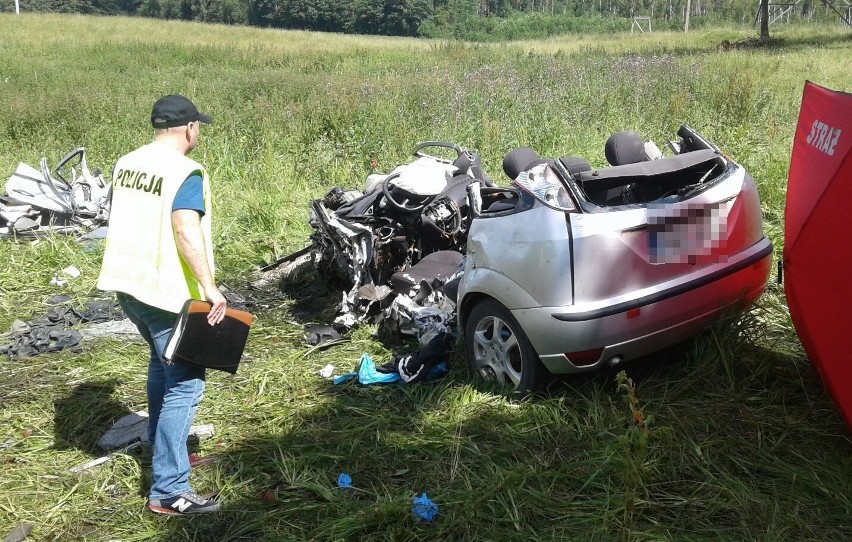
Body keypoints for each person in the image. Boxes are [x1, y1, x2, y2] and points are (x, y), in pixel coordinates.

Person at [97, 94, 226, 516]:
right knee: (186, 383)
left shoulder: (127, 162)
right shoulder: (184, 171)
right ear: (189, 128)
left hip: (127, 285)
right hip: (165, 291)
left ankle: (161, 446)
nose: (198, 132)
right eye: (198, 126)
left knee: (160, 364)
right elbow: (185, 227)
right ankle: (169, 489)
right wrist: (210, 288)